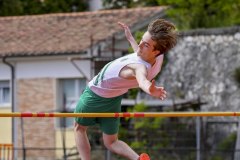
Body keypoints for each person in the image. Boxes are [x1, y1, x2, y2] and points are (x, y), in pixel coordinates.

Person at [74, 19, 178, 160]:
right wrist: (130, 39)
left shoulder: (138, 68)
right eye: (141, 40)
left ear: (156, 51)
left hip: (95, 94)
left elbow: (142, 79)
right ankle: (138, 159)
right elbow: (141, 55)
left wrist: (150, 89)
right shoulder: (156, 57)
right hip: (114, 98)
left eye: (145, 44)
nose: (140, 45)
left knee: (79, 128)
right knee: (111, 142)